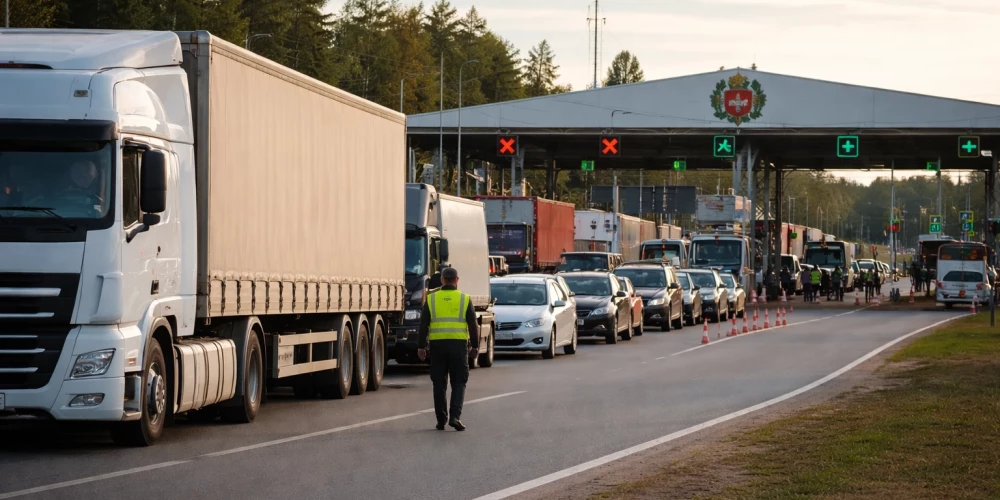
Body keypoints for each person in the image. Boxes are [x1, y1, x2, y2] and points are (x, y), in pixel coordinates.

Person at [417, 267, 479, 431]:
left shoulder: (431, 299)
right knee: (459, 382)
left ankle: (441, 420)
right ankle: (455, 417)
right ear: (457, 280)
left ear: (442, 280)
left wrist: (421, 346)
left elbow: (423, 324)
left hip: (437, 347)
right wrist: (475, 346)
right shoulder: (464, 299)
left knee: (439, 384)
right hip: (458, 346)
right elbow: (473, 325)